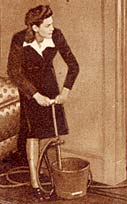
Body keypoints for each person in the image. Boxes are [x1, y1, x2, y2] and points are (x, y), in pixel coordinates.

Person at [7, 5, 79, 201]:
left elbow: (73, 65)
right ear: (35, 27)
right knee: (33, 134)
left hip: (50, 87)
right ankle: (34, 182)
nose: (52, 28)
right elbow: (13, 72)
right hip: (29, 92)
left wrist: (65, 92)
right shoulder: (19, 39)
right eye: (48, 25)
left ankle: (57, 179)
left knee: (53, 133)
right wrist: (35, 95)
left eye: (52, 23)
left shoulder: (57, 36)